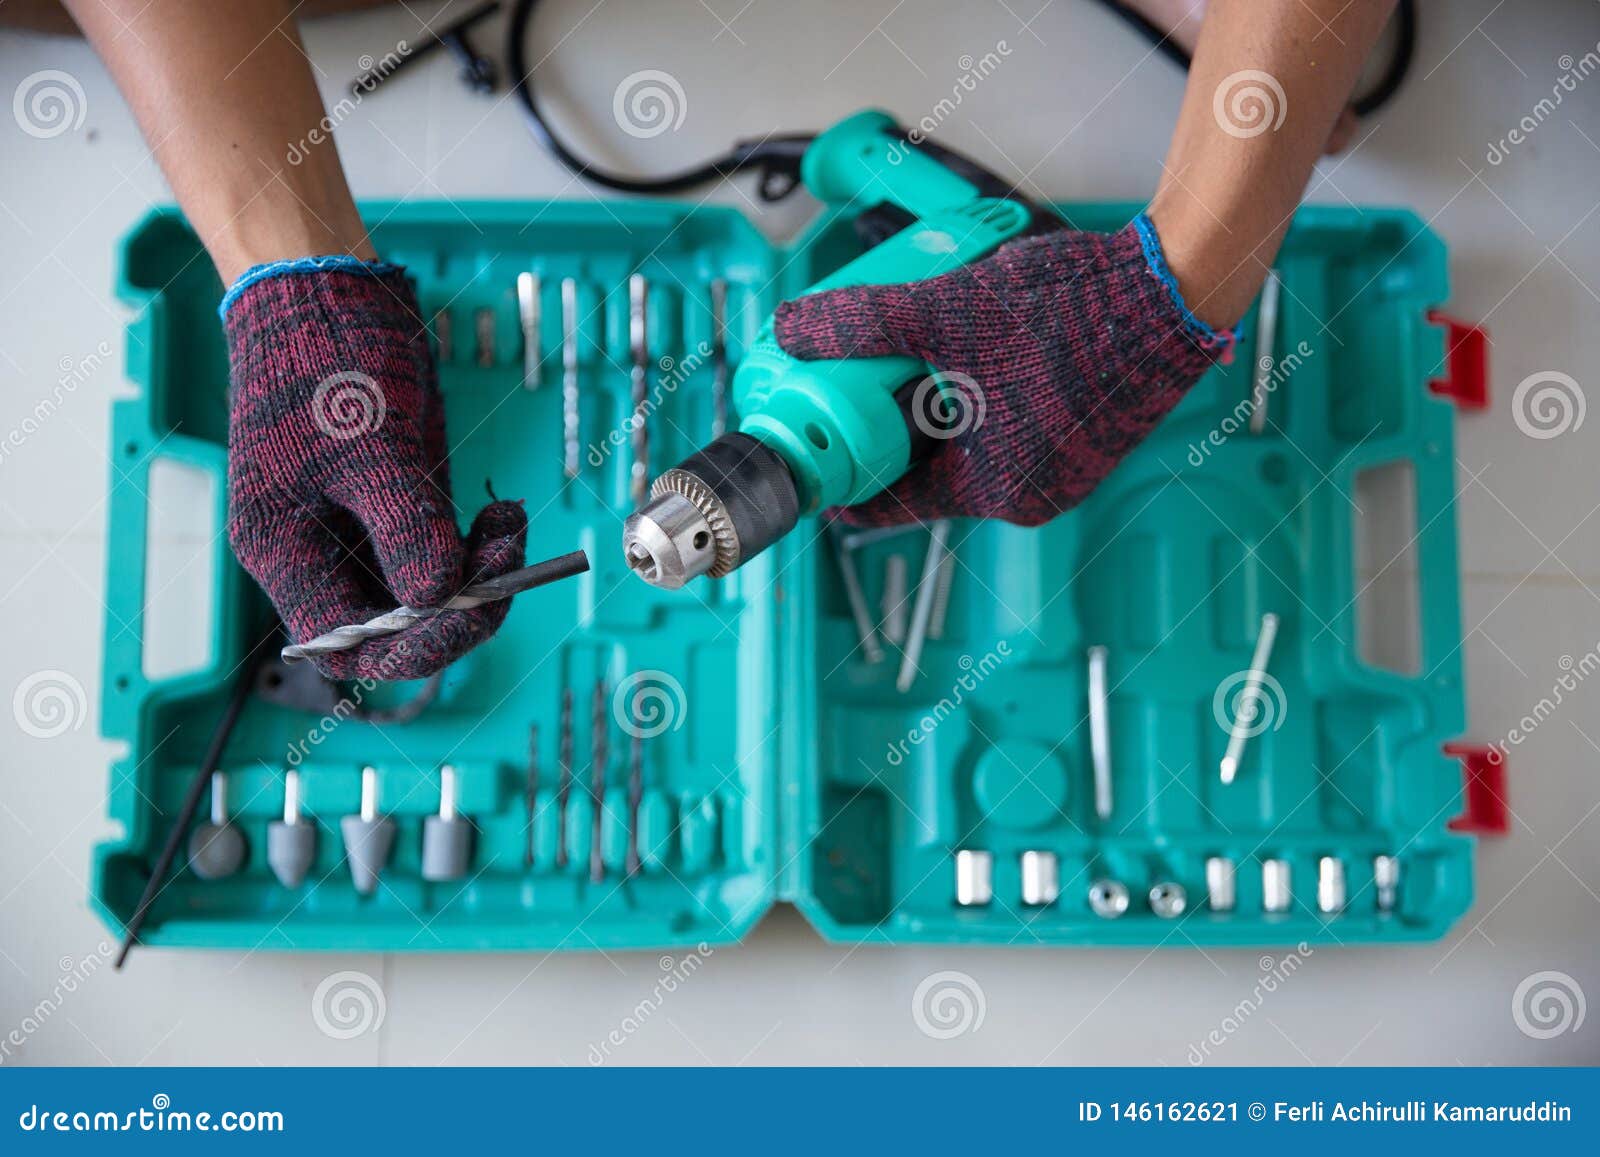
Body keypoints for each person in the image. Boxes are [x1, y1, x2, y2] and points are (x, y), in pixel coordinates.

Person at [51, 0, 1398, 680]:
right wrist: (294, 283)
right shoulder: (790, 372)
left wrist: (1183, 282)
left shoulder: (789, 370)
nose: (693, 529)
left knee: (1323, 91)